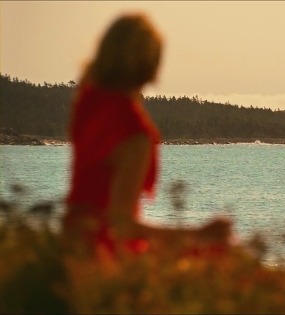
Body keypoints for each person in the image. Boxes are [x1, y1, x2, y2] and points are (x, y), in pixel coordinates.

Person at [64, 13, 232, 259]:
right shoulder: (134, 132)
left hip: (71, 246)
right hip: (103, 259)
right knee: (224, 252)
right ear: (151, 64)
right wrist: (200, 233)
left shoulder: (88, 103)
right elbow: (121, 227)